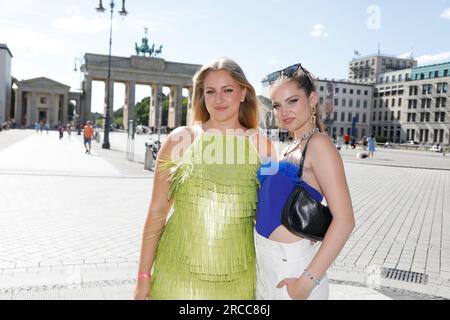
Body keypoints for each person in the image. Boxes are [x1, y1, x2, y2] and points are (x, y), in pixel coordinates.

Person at [134, 58, 274, 300]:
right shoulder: (181, 140)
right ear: (202, 96)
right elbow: (157, 212)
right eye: (211, 91)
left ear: (243, 93)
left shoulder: (263, 147)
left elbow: (271, 218)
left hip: (237, 281)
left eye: (227, 90)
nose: (218, 99)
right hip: (176, 277)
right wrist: (143, 278)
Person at [255, 63, 355, 300]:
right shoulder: (288, 147)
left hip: (293, 270)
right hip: (267, 267)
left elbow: (345, 221)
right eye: (277, 106)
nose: (283, 112)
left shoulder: (319, 145)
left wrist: (307, 282)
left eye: (292, 101)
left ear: (312, 99)